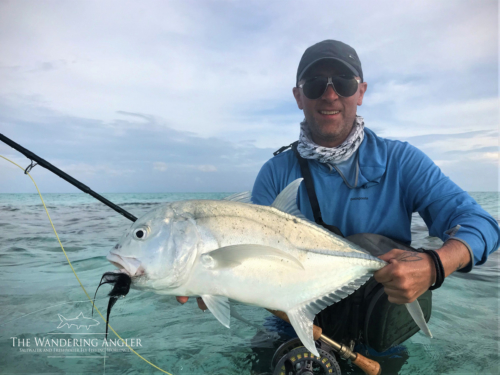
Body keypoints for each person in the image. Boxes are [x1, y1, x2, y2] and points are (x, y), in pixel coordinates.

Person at [177, 40, 500, 346]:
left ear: (361, 92)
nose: (330, 95)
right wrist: (205, 277)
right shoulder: (276, 173)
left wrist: (435, 265)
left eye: (343, 82)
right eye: (315, 84)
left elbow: (480, 223)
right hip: (292, 321)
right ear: (298, 96)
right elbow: (253, 258)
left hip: (380, 324)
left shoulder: (402, 161)